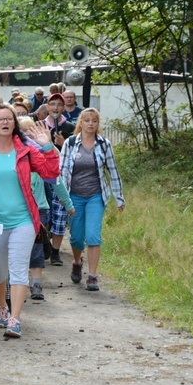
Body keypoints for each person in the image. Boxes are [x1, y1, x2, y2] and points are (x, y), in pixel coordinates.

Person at [0, 103, 59, 338]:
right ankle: (2, 307)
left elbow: (50, 173)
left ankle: (15, 318)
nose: (5, 123)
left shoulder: (26, 149)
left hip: (24, 220)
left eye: (9, 119)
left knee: (19, 270)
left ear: (15, 123)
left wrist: (48, 147)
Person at [60, 108, 125, 291]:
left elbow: (113, 172)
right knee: (76, 238)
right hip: (74, 197)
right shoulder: (71, 143)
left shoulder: (104, 144)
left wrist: (119, 198)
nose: (90, 124)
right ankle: (76, 261)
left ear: (98, 124)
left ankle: (93, 276)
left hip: (96, 196)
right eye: (87, 120)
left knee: (93, 236)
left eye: (94, 121)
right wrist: (63, 197)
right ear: (81, 122)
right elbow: (63, 171)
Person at [18, 117, 75, 300]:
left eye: (31, 130)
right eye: (23, 131)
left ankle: (36, 284)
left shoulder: (40, 156)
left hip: (39, 210)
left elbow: (56, 180)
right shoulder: (12, 156)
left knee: (36, 247)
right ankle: (16, 283)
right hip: (16, 210)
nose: (28, 135)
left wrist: (68, 204)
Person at [44, 92, 76, 266]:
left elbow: (75, 155)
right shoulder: (40, 125)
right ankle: (45, 245)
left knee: (59, 213)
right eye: (52, 104)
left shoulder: (70, 127)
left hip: (60, 175)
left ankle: (56, 251)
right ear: (47, 107)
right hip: (42, 175)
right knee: (45, 212)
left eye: (59, 104)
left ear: (64, 107)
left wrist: (63, 144)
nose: (55, 108)